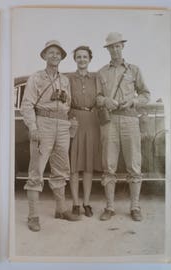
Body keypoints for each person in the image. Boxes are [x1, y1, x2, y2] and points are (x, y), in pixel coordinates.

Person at [20, 40, 81, 232]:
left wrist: (67, 122)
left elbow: (67, 103)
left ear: (62, 57)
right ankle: (33, 216)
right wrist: (33, 126)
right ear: (44, 55)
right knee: (36, 170)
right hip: (43, 123)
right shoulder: (36, 77)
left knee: (61, 168)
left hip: (62, 124)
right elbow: (27, 104)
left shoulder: (65, 80)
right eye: (50, 52)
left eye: (58, 53)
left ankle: (61, 210)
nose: (54, 56)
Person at [97, 32, 150, 221]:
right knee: (108, 165)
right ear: (108, 50)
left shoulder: (134, 70)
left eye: (117, 46)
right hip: (110, 121)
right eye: (111, 47)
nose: (115, 49)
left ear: (123, 46)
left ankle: (135, 206)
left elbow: (146, 94)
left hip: (130, 120)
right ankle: (110, 207)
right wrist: (105, 100)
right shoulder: (102, 72)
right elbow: (97, 97)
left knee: (134, 165)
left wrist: (133, 101)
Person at [66, 46, 102, 217]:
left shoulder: (96, 78)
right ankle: (75, 204)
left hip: (91, 121)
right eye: (79, 56)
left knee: (88, 165)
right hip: (74, 119)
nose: (82, 59)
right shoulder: (68, 79)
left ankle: (86, 203)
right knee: (74, 166)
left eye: (85, 57)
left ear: (90, 59)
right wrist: (69, 119)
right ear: (75, 59)